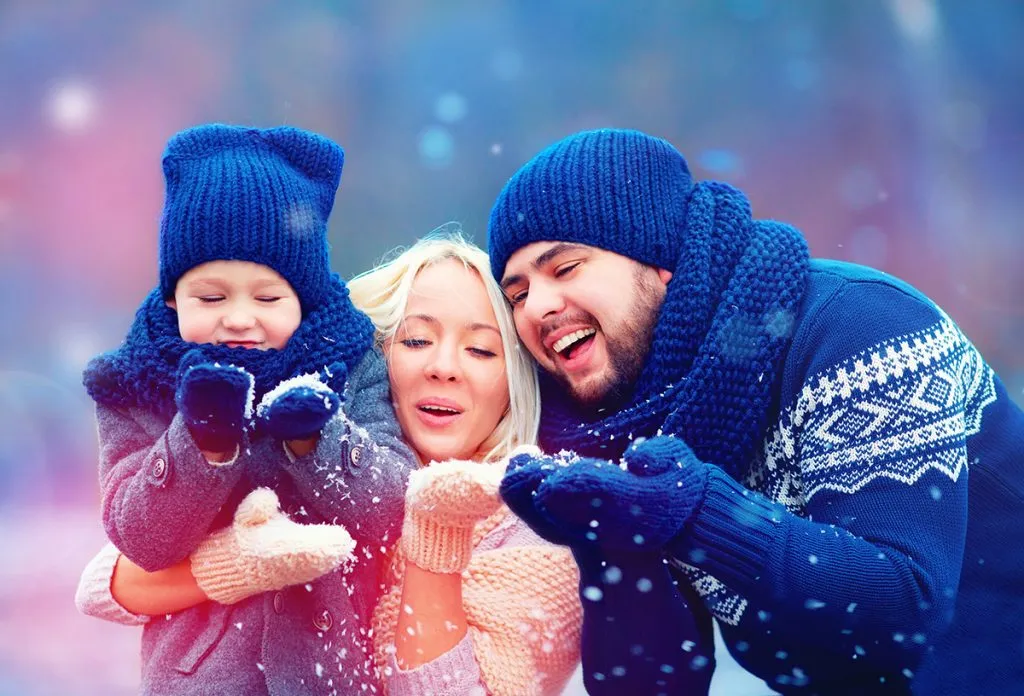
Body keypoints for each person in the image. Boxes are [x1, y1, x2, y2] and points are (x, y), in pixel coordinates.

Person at [485, 128, 1024, 695]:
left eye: (565, 268)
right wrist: (608, 543)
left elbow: (902, 609)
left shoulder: (859, 328)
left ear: (663, 259)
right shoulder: (635, 414)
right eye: (517, 293)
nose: (538, 306)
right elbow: (658, 685)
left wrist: (693, 513)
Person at [77, 232, 583, 696]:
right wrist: (240, 561)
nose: (443, 367)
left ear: (514, 381)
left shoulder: (532, 531)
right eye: (415, 340)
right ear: (374, 358)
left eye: (480, 350)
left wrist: (436, 530)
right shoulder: (315, 457)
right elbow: (105, 582)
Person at [76, 123, 416, 695]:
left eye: (266, 297)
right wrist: (203, 443)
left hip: (332, 670)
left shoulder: (351, 364)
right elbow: (141, 540)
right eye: (210, 297)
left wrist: (316, 439)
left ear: (302, 301)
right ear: (171, 297)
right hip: (203, 677)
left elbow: (391, 511)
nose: (238, 317)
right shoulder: (133, 384)